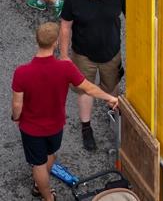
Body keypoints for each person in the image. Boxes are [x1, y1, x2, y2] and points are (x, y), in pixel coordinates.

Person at [14, 21, 119, 198]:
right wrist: (110, 97)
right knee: (50, 155)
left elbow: (17, 105)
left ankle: (46, 195)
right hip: (55, 125)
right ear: (55, 43)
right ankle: (40, 185)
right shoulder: (65, 68)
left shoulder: (22, 72)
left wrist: (16, 117)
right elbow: (89, 88)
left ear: (37, 41)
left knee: (38, 164)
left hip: (31, 127)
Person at [58, 0, 126, 152]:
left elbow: (135, 17)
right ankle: (86, 127)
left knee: (112, 87)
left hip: (111, 53)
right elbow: (65, 26)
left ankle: (116, 119)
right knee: (85, 91)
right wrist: (64, 56)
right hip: (83, 54)